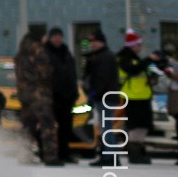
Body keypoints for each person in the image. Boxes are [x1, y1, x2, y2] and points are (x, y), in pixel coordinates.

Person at [13, 32, 59, 165]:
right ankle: (50, 156)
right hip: (39, 94)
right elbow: (45, 73)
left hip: (24, 94)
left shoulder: (21, 53)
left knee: (27, 125)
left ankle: (25, 154)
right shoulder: (39, 51)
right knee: (47, 124)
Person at [115, 31, 159, 164]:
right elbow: (133, 70)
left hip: (140, 96)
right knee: (136, 126)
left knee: (141, 125)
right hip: (133, 97)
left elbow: (140, 73)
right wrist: (149, 59)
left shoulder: (135, 58)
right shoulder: (124, 58)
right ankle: (134, 153)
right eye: (138, 45)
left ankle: (137, 150)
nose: (139, 47)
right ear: (132, 45)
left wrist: (152, 77)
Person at [83, 30, 121, 166]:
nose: (92, 44)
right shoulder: (101, 56)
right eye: (91, 42)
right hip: (106, 96)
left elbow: (101, 79)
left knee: (106, 128)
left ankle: (110, 157)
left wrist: (94, 94)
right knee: (105, 127)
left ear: (101, 42)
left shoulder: (104, 57)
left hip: (105, 97)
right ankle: (109, 156)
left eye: (95, 41)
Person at [44, 28, 78, 162]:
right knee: (51, 127)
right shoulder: (46, 52)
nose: (57, 39)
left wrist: (74, 92)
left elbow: (72, 73)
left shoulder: (66, 52)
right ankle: (52, 153)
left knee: (66, 126)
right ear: (50, 38)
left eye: (59, 36)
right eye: (55, 36)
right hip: (53, 96)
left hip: (67, 96)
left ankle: (65, 153)